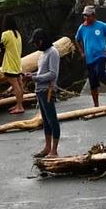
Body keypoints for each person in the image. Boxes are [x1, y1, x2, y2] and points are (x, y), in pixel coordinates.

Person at [74, 5, 106, 108]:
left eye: (88, 16)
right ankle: (96, 105)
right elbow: (77, 40)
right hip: (89, 59)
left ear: (93, 15)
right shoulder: (82, 28)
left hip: (101, 55)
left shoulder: (101, 26)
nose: (86, 18)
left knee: (100, 73)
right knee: (93, 82)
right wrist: (82, 52)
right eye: (84, 16)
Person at [30, 28, 62, 159]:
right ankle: (47, 147)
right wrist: (31, 75)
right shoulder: (43, 53)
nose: (35, 45)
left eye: (36, 43)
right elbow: (41, 72)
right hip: (40, 90)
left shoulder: (52, 52)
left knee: (52, 120)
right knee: (45, 120)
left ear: (41, 41)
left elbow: (53, 74)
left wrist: (35, 78)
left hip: (47, 90)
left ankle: (54, 149)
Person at [0, 16, 25, 115]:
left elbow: (1, 47)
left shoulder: (5, 34)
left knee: (15, 85)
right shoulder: (18, 33)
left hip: (9, 63)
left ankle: (20, 106)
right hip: (17, 62)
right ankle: (19, 104)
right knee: (19, 84)